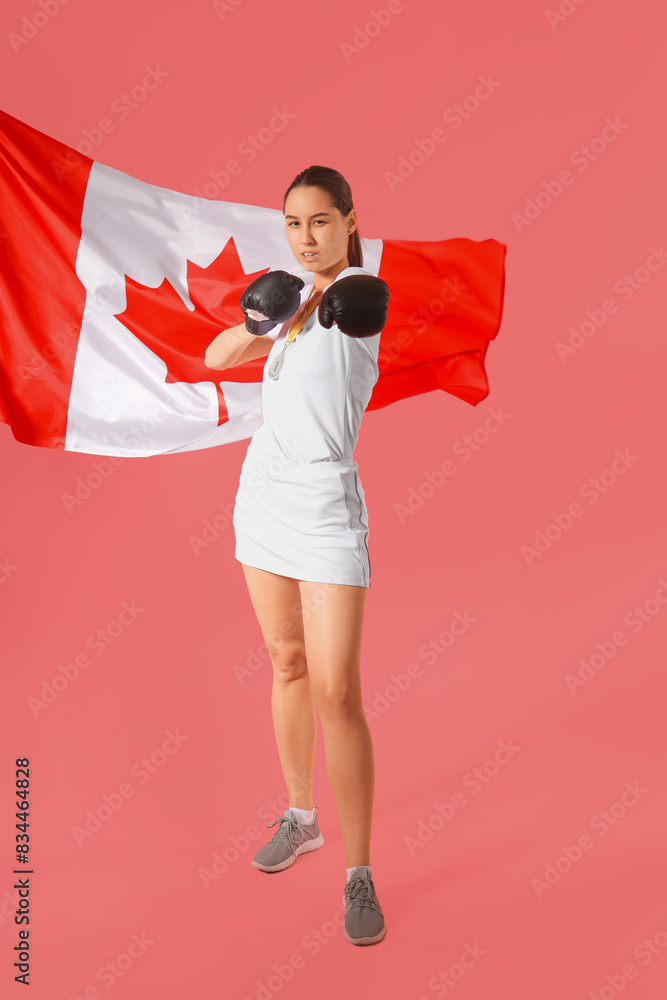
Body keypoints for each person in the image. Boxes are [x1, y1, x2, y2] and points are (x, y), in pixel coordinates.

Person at [204, 166, 389, 946]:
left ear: (349, 222)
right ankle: (300, 815)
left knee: (338, 689)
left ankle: (358, 873)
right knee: (286, 661)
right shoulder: (282, 299)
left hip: (324, 509)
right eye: (292, 223)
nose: (305, 237)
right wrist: (263, 316)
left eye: (319, 222)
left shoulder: (358, 299)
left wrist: (325, 292)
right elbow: (216, 359)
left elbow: (358, 320)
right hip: (264, 499)